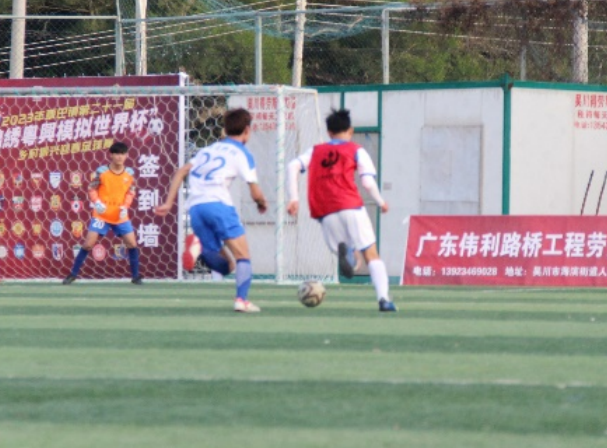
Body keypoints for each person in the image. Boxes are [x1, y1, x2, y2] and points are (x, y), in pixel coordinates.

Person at [155, 108, 268, 313]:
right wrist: (261, 203)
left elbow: (181, 171)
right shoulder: (242, 153)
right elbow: (255, 191)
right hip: (218, 206)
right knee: (243, 256)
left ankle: (198, 248)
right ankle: (241, 300)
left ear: (225, 129)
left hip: (196, 209)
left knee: (227, 266)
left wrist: (169, 202)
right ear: (247, 130)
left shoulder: (208, 150)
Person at [287, 108, 397, 312]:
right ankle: (383, 299)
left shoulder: (315, 151)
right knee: (371, 254)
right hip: (351, 206)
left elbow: (293, 165)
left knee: (344, 251)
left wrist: (294, 198)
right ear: (351, 130)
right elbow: (367, 183)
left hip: (324, 210)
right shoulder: (356, 150)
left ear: (329, 132)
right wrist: (381, 202)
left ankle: (350, 255)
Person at [63, 141, 142, 284]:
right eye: (116, 153)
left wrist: (125, 206)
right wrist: (97, 202)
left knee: (132, 244)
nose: (120, 157)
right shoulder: (101, 171)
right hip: (101, 215)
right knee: (88, 244)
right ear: (111, 155)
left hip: (120, 215)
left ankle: (136, 277)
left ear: (127, 155)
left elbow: (131, 192)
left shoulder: (130, 173)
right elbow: (92, 188)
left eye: (122, 154)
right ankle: (72, 274)